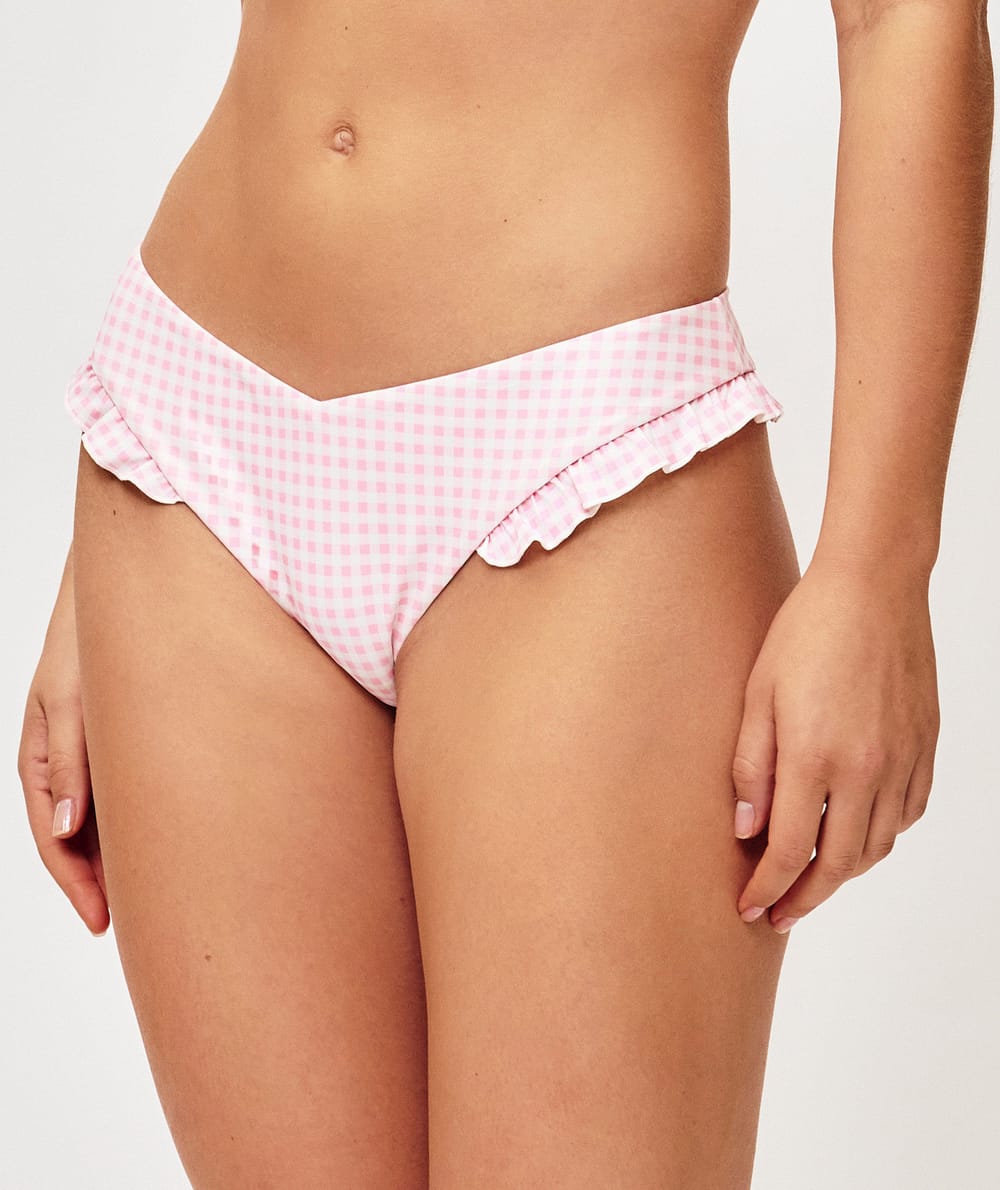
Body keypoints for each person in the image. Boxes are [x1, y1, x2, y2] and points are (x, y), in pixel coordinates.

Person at [17, 1, 993, 1186]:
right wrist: (106, 533)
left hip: (585, 451)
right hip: (188, 439)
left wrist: (876, 571)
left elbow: (902, 20)